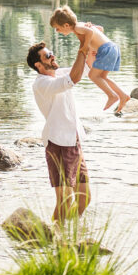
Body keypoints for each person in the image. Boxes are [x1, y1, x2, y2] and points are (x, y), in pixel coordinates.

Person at [26, 41, 91, 222]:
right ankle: (55, 238)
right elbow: (73, 79)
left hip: (74, 142)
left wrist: (90, 37)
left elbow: (87, 66)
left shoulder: (59, 74)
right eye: (48, 56)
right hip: (58, 144)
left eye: (52, 53)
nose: (53, 56)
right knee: (65, 201)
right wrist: (82, 48)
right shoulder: (41, 83)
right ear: (38, 65)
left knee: (84, 199)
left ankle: (70, 233)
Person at [50, 5, 130, 114]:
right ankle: (123, 95)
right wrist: (95, 45)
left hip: (106, 50)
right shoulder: (82, 25)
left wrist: (86, 46)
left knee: (93, 76)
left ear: (66, 25)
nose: (57, 31)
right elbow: (100, 29)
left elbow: (90, 33)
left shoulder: (78, 28)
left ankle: (112, 96)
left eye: (57, 28)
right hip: (112, 48)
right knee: (102, 77)